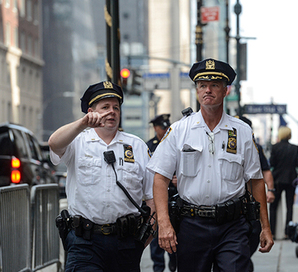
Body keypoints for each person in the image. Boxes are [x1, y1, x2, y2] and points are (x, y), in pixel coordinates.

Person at [147, 58, 274, 271]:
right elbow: (160, 178)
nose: (208, 90)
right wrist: (164, 223)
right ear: (197, 90)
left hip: (232, 225)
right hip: (191, 225)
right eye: (202, 85)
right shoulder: (179, 130)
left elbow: (255, 181)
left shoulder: (242, 131)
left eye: (215, 85)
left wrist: (265, 227)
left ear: (225, 90)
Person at [48, 81, 155, 272]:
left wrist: (144, 239)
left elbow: (151, 197)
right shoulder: (77, 142)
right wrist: (82, 123)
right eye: (105, 107)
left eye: (115, 107)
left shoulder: (137, 146)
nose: (111, 111)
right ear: (91, 112)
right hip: (85, 243)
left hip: (127, 244)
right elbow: (54, 144)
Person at [239, 116, 275, 272]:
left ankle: (244, 260)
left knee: (252, 237)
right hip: (232, 205)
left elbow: (265, 172)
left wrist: (271, 190)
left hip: (250, 205)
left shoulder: (255, 147)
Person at [146, 114, 177, 272]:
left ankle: (174, 262)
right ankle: (158, 267)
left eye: (167, 127)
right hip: (156, 198)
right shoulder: (150, 146)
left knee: (174, 235)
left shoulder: (175, 142)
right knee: (156, 235)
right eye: (162, 127)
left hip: (174, 197)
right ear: (155, 128)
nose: (165, 130)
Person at [269, 126, 298, 240]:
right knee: (289, 206)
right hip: (291, 179)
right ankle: (288, 232)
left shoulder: (275, 147)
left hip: (277, 179)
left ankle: (272, 232)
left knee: (273, 207)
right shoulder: (295, 148)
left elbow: (272, 163)